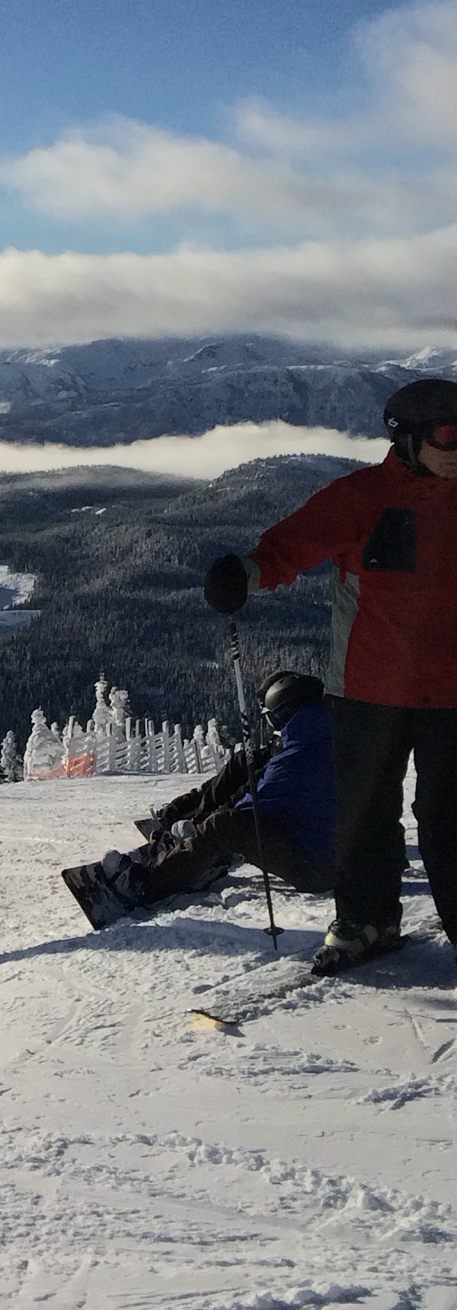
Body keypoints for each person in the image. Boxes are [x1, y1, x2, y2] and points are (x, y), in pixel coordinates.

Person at [240, 375, 457, 971]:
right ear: (407, 439)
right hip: (368, 689)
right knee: (362, 811)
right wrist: (245, 574)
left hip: (453, 694)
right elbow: (289, 547)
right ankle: (366, 922)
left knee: (451, 819)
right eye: (449, 435)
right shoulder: (361, 498)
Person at [62, 669, 331, 928]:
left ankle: (149, 885)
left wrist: (205, 832)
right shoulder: (327, 736)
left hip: (318, 866)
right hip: (334, 852)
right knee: (243, 769)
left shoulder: (297, 757)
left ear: (287, 713)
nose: (273, 725)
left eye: (274, 718)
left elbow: (252, 804)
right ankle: (192, 846)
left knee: (223, 826)